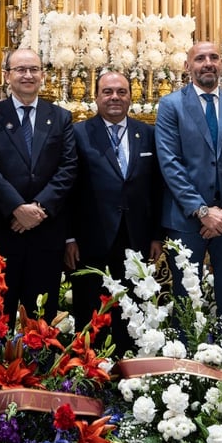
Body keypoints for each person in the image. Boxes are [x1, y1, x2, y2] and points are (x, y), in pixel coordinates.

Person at [0, 49, 78, 322]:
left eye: (33, 69)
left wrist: (38, 209)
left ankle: (42, 367)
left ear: (43, 75)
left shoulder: (60, 117)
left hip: (45, 234)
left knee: (42, 321)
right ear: (7, 75)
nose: (28, 75)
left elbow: (68, 168)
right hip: (1, 230)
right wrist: (17, 208)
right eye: (20, 69)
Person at [65, 71, 163, 356]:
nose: (115, 97)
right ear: (96, 96)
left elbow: (158, 188)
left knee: (131, 309)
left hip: (136, 236)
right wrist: (69, 237)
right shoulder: (78, 133)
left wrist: (157, 234)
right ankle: (89, 369)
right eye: (107, 92)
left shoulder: (148, 133)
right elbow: (68, 190)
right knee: (89, 310)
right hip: (90, 238)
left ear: (131, 96)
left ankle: (128, 368)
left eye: (121, 91)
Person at [155, 41, 222, 315]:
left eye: (214, 57)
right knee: (185, 299)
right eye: (200, 58)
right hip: (186, 220)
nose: (208, 62)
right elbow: (170, 163)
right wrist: (202, 211)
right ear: (187, 66)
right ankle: (184, 357)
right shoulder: (170, 105)